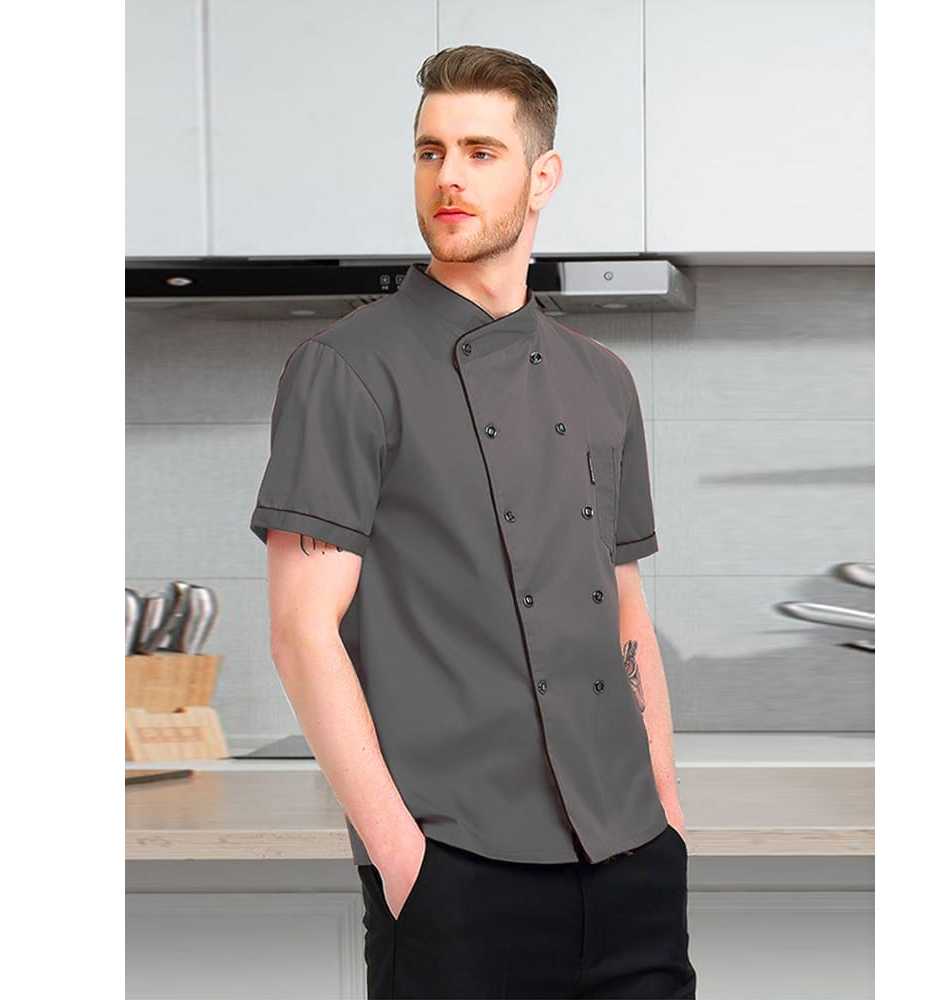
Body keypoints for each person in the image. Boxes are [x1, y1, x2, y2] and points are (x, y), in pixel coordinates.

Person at [250, 43, 697, 999]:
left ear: (543, 177)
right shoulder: (346, 371)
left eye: (481, 152)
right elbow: (301, 632)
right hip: (456, 874)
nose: (447, 176)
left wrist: (664, 807)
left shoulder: (603, 381)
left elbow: (623, 609)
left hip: (631, 862)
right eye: (430, 151)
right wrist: (401, 860)